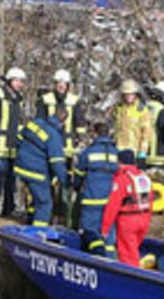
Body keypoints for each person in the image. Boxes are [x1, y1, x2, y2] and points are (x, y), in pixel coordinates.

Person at [0, 67, 28, 217]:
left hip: (14, 145)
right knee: (0, 172)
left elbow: (19, 122)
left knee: (12, 177)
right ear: (10, 80)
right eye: (18, 81)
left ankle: (9, 208)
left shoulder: (18, 99)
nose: (20, 84)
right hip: (0, 143)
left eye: (22, 81)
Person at [14, 113, 68, 227]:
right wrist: (65, 181)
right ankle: (39, 230)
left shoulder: (35, 123)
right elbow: (57, 163)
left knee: (36, 198)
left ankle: (30, 221)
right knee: (44, 203)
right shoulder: (54, 137)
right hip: (37, 172)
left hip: (21, 166)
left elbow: (18, 139)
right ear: (63, 122)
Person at [101, 150, 154, 266]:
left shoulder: (122, 179)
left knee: (128, 256)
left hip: (128, 221)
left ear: (120, 162)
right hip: (144, 219)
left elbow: (113, 205)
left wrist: (105, 228)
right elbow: (151, 201)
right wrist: (148, 220)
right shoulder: (144, 178)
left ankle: (134, 279)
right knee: (133, 249)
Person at [75, 123, 121, 254]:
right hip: (110, 200)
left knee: (90, 231)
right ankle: (111, 259)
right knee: (108, 233)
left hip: (92, 199)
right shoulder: (116, 152)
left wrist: (76, 187)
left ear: (94, 134)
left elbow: (79, 175)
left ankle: (96, 258)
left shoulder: (88, 152)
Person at [37, 69, 85, 158]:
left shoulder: (74, 101)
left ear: (67, 85)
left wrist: (81, 139)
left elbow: (80, 122)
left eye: (64, 84)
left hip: (69, 146)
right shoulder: (45, 100)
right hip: (49, 145)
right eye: (58, 83)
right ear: (55, 84)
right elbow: (39, 122)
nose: (61, 86)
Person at [113, 79, 153, 163]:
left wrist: (142, 153)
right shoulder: (119, 108)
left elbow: (146, 133)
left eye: (131, 94)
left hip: (134, 152)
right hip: (119, 152)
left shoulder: (142, 110)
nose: (128, 96)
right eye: (126, 94)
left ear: (135, 94)